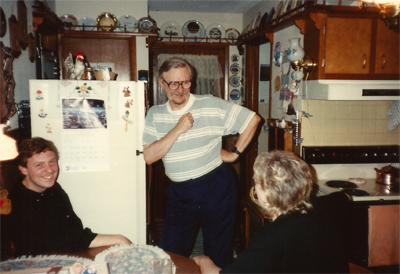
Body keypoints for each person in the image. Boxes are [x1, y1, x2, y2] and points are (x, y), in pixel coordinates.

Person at [143, 57, 261, 268]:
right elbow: (149, 156)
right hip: (180, 194)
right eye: (173, 83)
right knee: (169, 256)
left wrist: (235, 154)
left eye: (185, 82)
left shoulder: (210, 104)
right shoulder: (155, 114)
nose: (180, 89)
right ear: (161, 83)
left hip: (216, 188)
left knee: (217, 253)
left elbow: (252, 119)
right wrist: (178, 129)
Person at [193, 150, 352, 273]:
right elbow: (345, 197)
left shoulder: (271, 237)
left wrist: (203, 261)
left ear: (266, 195)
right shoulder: (323, 205)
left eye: (256, 182)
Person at [5, 137, 132, 258]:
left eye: (52, 162)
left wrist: (116, 239)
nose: (49, 170)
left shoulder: (53, 189)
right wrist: (115, 239)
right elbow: (51, 244)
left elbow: (74, 228)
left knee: (121, 242)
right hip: (40, 265)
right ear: (24, 169)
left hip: (67, 253)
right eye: (39, 165)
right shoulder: (16, 202)